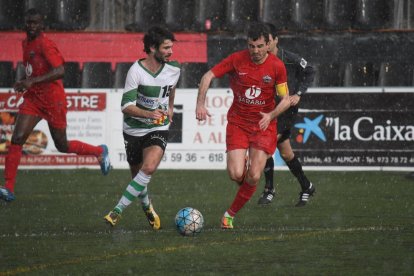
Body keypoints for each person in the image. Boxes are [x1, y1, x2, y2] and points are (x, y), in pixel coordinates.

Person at [0, 8, 111, 203]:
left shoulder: (45, 44)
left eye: (35, 23)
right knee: (17, 138)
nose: (31, 26)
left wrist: (32, 82)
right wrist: (24, 80)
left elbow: (60, 70)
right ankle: (8, 188)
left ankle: (99, 151)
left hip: (53, 101)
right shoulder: (26, 43)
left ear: (42, 25)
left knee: (62, 145)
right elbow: (34, 70)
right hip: (34, 99)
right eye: (29, 22)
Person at [196, 22, 291, 229]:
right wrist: (200, 104)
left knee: (254, 175)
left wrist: (271, 115)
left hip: (264, 126)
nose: (255, 51)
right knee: (236, 174)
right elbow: (207, 76)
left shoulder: (277, 66)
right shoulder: (237, 60)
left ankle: (229, 215)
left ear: (268, 45)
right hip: (238, 123)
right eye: (251, 46)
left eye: (259, 46)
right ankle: (246, 171)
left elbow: (285, 99)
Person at [104, 26, 180, 230]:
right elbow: (125, 106)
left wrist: (170, 108)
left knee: (149, 168)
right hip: (133, 130)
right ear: (153, 48)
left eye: (171, 47)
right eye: (166, 48)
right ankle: (147, 205)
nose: (171, 52)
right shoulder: (135, 71)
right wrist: (148, 114)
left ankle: (117, 210)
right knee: (139, 176)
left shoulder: (174, 69)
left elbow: (171, 89)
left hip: (158, 127)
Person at [258, 23, 316, 207]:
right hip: (268, 108)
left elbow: (310, 71)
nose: (265, 44)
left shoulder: (290, 58)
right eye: (263, 41)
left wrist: (298, 93)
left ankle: (269, 189)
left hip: (285, 109)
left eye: (268, 41)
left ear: (275, 40)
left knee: (268, 142)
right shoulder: (260, 60)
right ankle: (306, 186)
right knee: (286, 153)